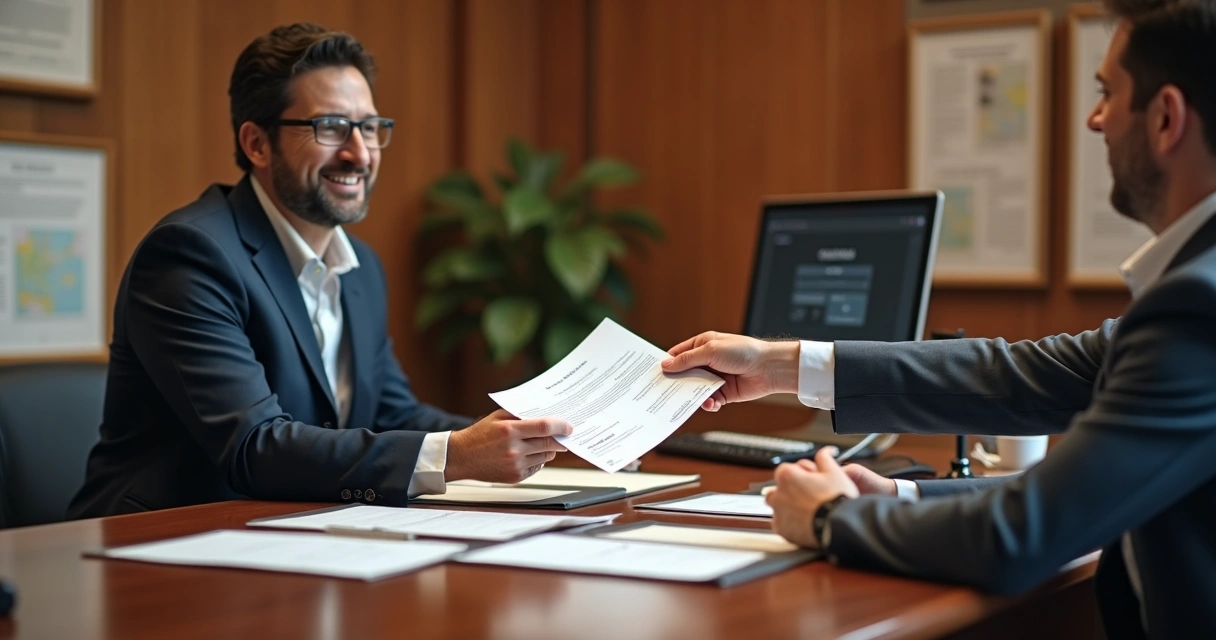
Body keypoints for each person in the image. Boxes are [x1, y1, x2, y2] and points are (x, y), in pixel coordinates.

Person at [662, 1, 1216, 637]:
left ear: (1167, 117)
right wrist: (779, 367)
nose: (1095, 119)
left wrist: (831, 519)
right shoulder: (1195, 292)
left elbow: (1021, 536)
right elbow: (1022, 377)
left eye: (1107, 93)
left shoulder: (1197, 308)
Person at [68, 24, 571, 519]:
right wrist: (457, 455)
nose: (359, 153)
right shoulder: (190, 255)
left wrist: (531, 434)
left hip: (297, 535)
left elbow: (392, 414)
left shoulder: (361, 267)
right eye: (330, 127)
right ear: (257, 144)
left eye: (370, 127)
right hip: (159, 544)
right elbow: (253, 446)